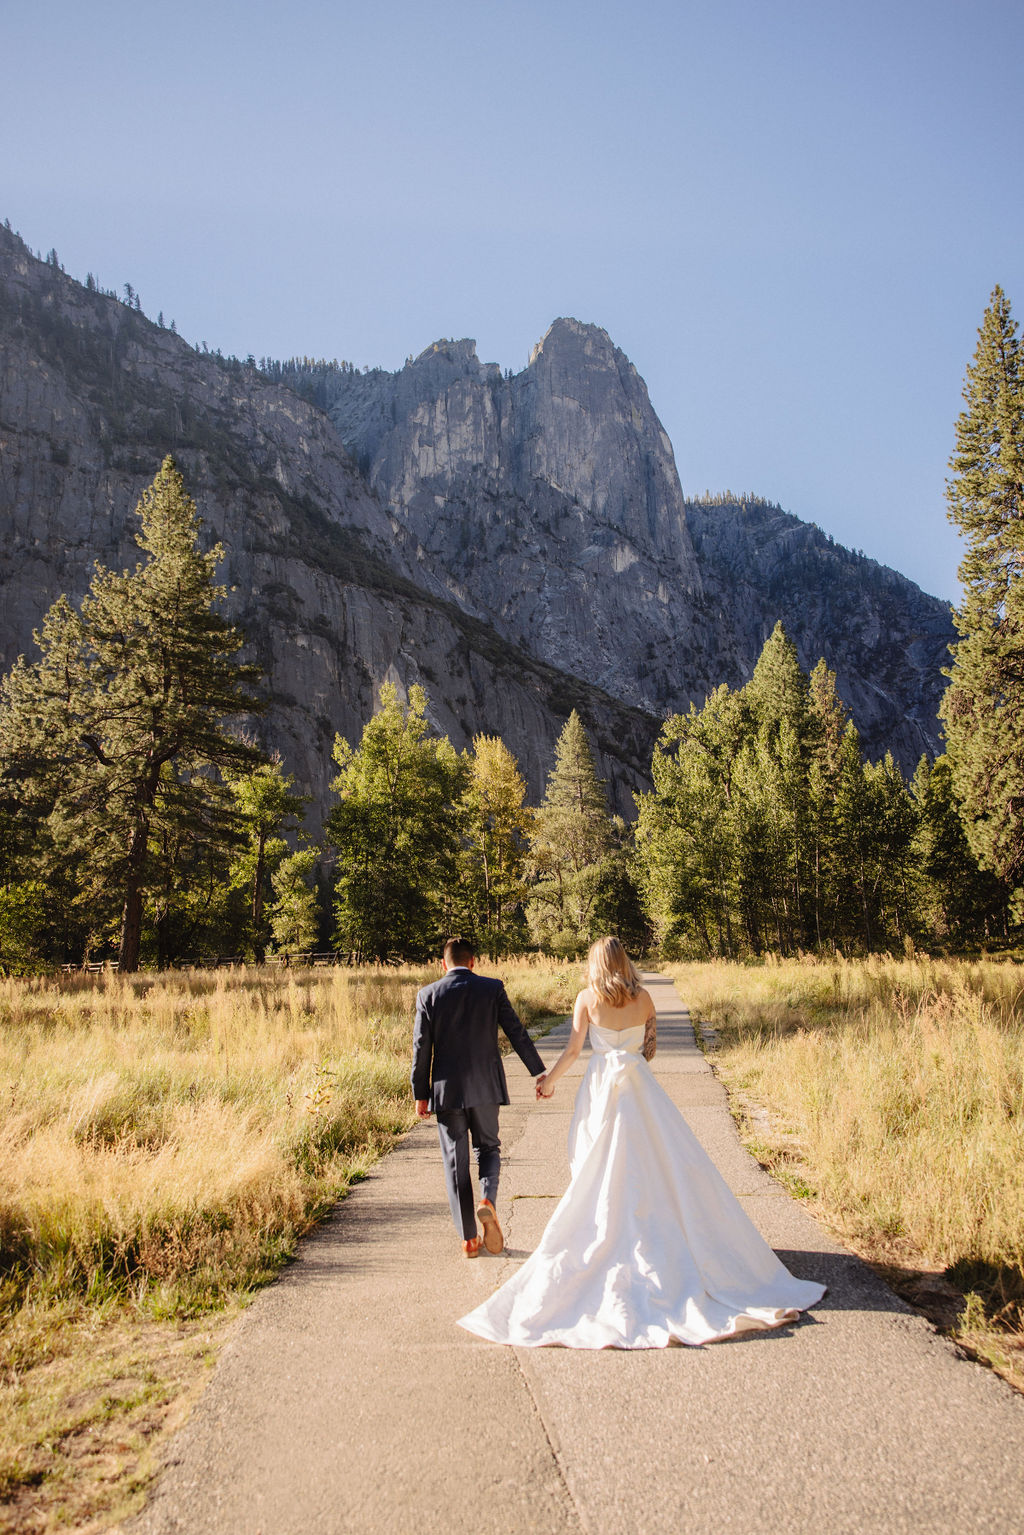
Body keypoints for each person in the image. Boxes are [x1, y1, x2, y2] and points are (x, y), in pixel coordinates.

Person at [458, 936, 826, 1347]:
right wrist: (627, 1053)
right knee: (656, 1164)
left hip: (601, 1090)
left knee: (599, 1168)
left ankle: (607, 1233)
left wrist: (548, 1081)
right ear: (624, 961)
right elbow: (649, 1050)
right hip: (639, 1088)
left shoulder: (586, 998)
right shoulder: (646, 998)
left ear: (596, 963)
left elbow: (574, 1050)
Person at [412, 936, 547, 1258]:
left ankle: (470, 1239)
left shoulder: (428, 995)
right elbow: (516, 1031)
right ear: (473, 962)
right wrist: (538, 1072)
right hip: (486, 1087)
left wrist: (421, 1093)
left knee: (455, 1162)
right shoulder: (492, 989)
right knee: (488, 1148)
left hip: (447, 1091)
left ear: (442, 964)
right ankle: (487, 1200)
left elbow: (421, 1048)